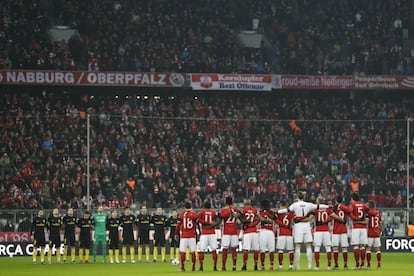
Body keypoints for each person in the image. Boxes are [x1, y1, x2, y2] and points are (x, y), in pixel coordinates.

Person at [277, 191, 329, 270]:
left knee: (298, 246)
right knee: (308, 246)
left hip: (298, 226)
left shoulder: (294, 205)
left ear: (297, 197)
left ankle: (297, 266)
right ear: (303, 197)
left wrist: (278, 211)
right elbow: (319, 206)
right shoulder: (308, 204)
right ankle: (310, 265)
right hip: (307, 225)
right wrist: (328, 206)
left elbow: (286, 210)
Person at [313, 197, 341, 270]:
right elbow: (332, 217)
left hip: (318, 230)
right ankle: (329, 266)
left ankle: (317, 266)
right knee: (328, 248)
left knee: (317, 248)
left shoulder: (316, 209)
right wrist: (325, 221)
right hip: (326, 230)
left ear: (318, 202)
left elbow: (311, 216)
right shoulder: (328, 209)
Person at [356, 200, 382, 269]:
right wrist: (380, 232)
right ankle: (379, 264)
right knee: (377, 249)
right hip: (376, 233)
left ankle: (368, 264)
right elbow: (380, 224)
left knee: (368, 249)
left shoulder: (368, 213)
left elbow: (366, 222)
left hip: (370, 233)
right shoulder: (378, 213)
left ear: (369, 206)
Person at [174, 201, 199, 272]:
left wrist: (176, 234)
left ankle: (182, 267)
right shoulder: (194, 215)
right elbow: (198, 221)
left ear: (184, 207)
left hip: (184, 236)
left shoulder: (182, 215)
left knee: (183, 252)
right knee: (193, 252)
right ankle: (193, 267)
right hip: (192, 236)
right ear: (191, 207)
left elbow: (178, 226)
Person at [331, 195, 352, 270]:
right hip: (343, 230)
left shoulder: (334, 208)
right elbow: (350, 211)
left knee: (335, 248)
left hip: (336, 230)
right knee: (344, 248)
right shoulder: (345, 208)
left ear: (336, 200)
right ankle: (345, 265)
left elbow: (331, 214)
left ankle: (336, 265)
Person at [349, 192, 369, 269]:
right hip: (363, 228)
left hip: (356, 228)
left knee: (356, 246)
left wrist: (355, 220)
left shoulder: (353, 205)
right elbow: (368, 214)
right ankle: (363, 264)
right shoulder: (364, 205)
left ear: (353, 199)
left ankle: (357, 264)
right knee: (362, 246)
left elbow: (350, 214)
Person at [238, 199, 259, 271]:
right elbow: (258, 219)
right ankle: (256, 265)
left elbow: (240, 217)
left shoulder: (243, 210)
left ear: (244, 203)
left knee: (246, 250)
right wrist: (252, 223)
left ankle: (244, 265)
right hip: (254, 231)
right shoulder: (255, 210)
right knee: (255, 250)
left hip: (247, 232)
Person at [198, 201, 219, 271]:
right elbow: (217, 221)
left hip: (204, 233)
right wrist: (212, 224)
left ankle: (201, 266)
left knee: (202, 250)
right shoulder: (213, 212)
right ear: (210, 206)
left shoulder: (202, 212)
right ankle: (215, 266)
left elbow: (199, 220)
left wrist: (206, 223)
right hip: (212, 233)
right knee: (214, 250)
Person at [219, 196, 239, 271]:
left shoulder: (224, 209)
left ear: (225, 202)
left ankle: (223, 266)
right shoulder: (235, 209)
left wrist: (229, 210)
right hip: (234, 231)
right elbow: (238, 215)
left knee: (225, 249)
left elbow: (222, 216)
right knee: (234, 249)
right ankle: (234, 266)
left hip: (226, 232)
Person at [275, 200, 295, 270]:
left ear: (281, 206)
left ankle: (280, 266)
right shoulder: (291, 213)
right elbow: (293, 220)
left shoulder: (279, 213)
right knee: (291, 250)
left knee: (280, 250)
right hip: (289, 233)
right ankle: (291, 266)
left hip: (281, 233)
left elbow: (275, 219)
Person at [257, 199, 277, 270]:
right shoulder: (271, 212)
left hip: (263, 231)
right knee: (271, 250)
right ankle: (271, 265)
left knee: (262, 250)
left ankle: (262, 266)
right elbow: (275, 218)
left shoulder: (261, 212)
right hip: (271, 232)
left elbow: (259, 220)